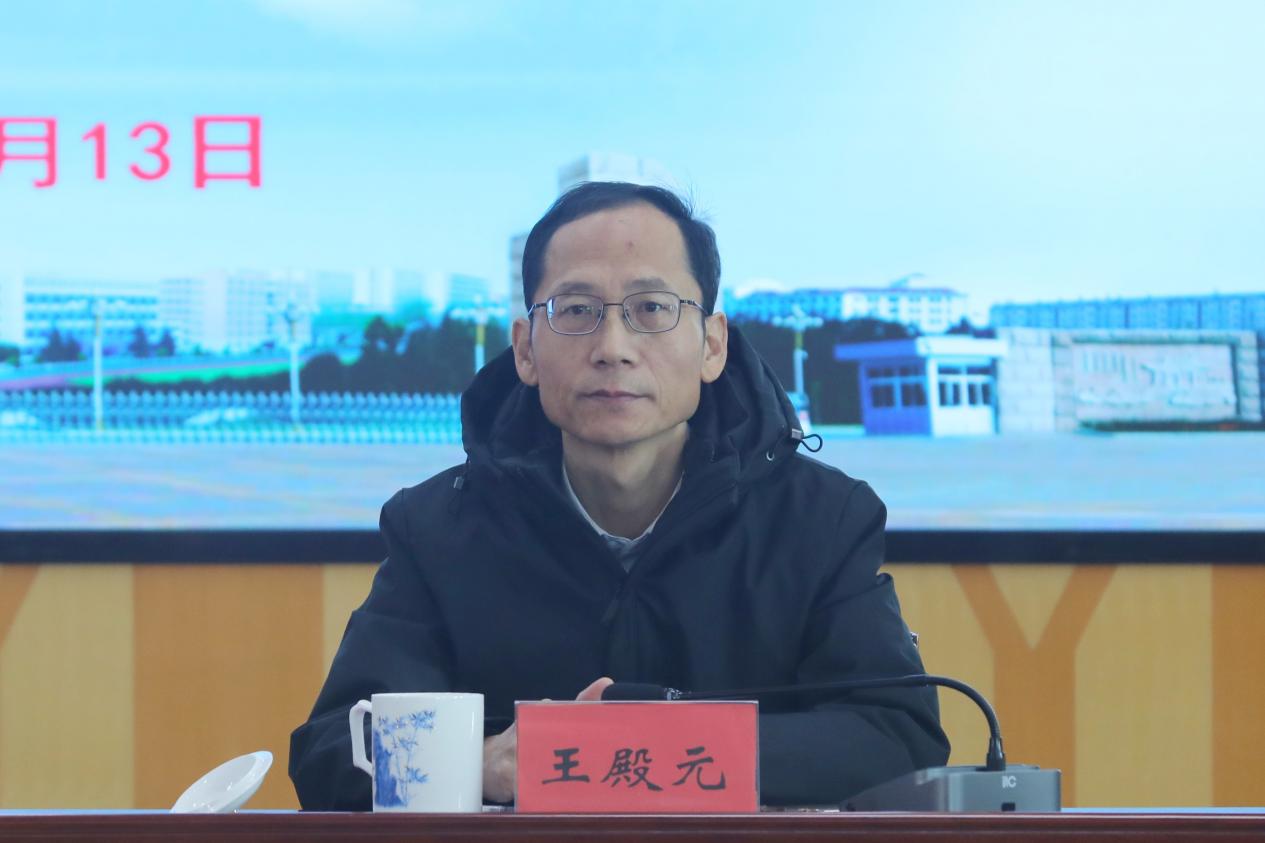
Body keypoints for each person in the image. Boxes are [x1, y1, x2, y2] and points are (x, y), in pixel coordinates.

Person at [289, 182, 949, 809]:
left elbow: (899, 737)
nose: (613, 348)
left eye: (651, 309)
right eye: (576, 311)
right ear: (525, 349)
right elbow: (330, 751)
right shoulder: (438, 527)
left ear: (712, 344)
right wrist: (479, 763)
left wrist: (629, 748)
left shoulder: (819, 519)